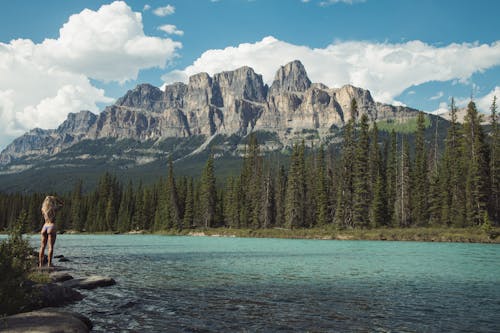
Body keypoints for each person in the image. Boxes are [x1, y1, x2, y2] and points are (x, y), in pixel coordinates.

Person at [39, 196, 63, 267]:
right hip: (51, 226)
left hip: (44, 226)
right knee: (50, 247)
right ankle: (49, 264)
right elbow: (62, 204)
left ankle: (40, 264)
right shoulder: (54, 208)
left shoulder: (43, 209)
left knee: (42, 246)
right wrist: (56, 198)